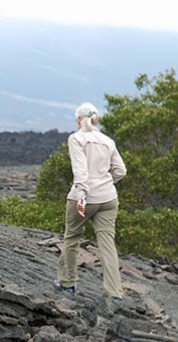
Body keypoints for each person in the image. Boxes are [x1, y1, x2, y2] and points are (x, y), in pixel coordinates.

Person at [56, 103, 127, 307]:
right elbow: (121, 170)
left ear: (79, 120)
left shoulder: (76, 139)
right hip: (108, 198)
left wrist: (81, 195)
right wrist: (105, 183)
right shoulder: (107, 141)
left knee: (72, 238)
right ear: (96, 119)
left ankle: (68, 283)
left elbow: (80, 172)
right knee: (107, 244)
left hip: (85, 198)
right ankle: (114, 292)